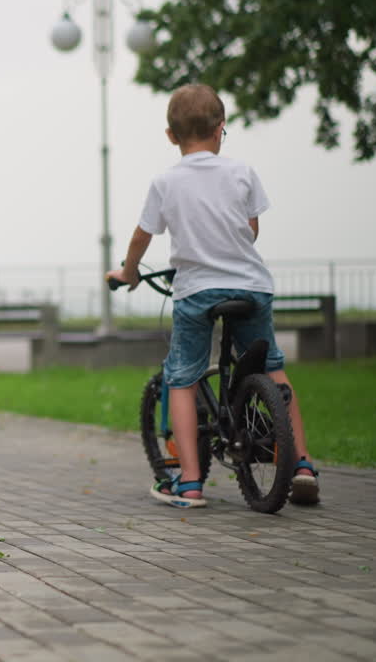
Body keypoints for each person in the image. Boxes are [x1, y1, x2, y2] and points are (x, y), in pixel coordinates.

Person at [107, 83, 320, 509]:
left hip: (197, 292)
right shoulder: (242, 172)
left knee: (182, 378)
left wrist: (129, 273)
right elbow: (251, 229)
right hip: (251, 286)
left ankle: (189, 482)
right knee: (273, 368)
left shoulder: (165, 182)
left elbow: (142, 235)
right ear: (221, 129)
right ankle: (301, 465)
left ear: (171, 135)